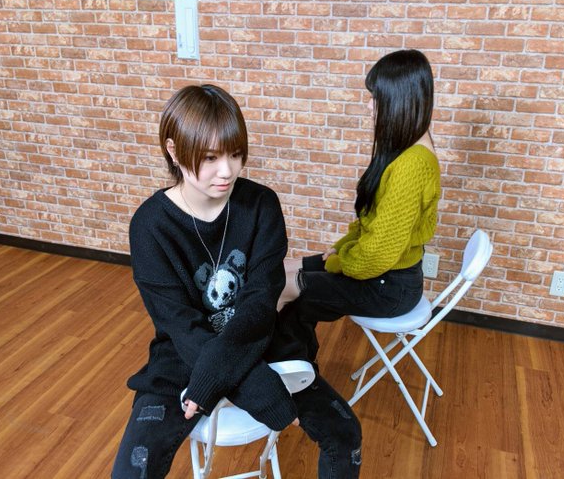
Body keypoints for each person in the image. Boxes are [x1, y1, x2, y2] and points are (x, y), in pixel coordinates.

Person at [112, 84, 361, 479]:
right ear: (174, 151)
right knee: (131, 470)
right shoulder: (149, 226)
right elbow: (179, 324)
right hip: (184, 352)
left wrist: (227, 378)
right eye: (210, 157)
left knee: (346, 433)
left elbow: (260, 305)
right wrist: (260, 390)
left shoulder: (261, 205)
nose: (227, 170)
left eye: (235, 154)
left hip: (260, 339)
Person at [270, 49, 441, 364]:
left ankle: (285, 368)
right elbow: (371, 226)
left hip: (388, 287)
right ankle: (292, 363)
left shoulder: (412, 166)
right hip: (383, 275)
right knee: (280, 271)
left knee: (280, 286)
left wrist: (339, 262)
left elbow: (377, 255)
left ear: (398, 101)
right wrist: (340, 248)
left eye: (375, 98)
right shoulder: (406, 151)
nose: (369, 105)